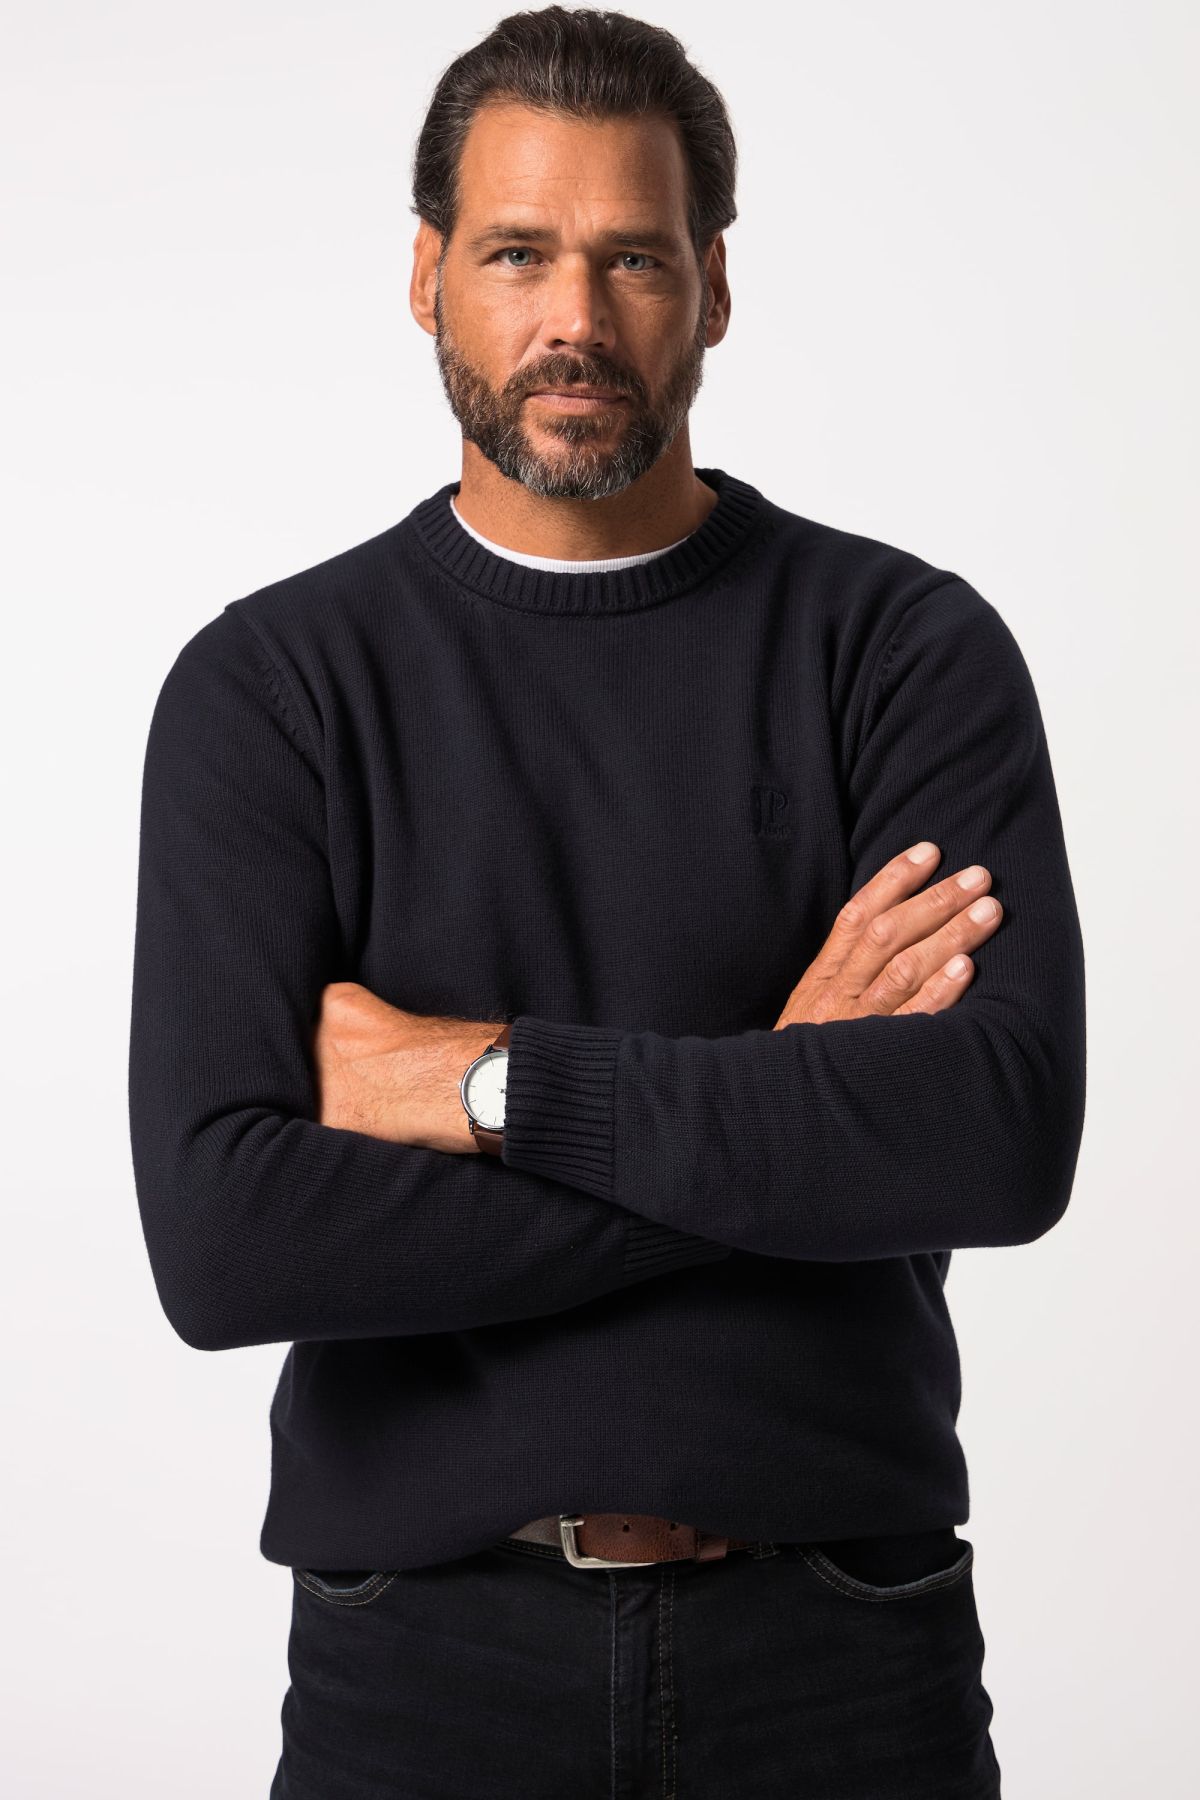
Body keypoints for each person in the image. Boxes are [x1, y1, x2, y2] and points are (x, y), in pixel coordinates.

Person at [127, 8, 1086, 1795]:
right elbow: (227, 1241)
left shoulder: (901, 651)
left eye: (633, 257)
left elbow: (996, 1140)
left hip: (839, 1648)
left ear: (713, 287)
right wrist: (784, 1102)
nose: (573, 315)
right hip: (422, 1662)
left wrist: (485, 1087)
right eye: (517, 254)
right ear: (427, 277)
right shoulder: (273, 689)